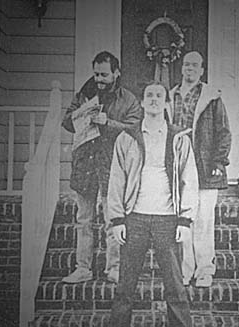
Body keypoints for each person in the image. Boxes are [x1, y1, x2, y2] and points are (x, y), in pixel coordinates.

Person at [107, 82, 198, 327]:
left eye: (160, 95)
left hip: (167, 220)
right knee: (125, 285)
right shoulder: (127, 138)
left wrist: (185, 220)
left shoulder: (179, 138)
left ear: (167, 103)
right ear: (143, 102)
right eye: (149, 95)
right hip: (135, 218)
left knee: (175, 286)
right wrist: (117, 220)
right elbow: (117, 179)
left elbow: (189, 179)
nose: (154, 99)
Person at [61, 51, 143, 284]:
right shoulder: (85, 94)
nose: (99, 79)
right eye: (96, 74)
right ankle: (83, 268)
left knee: (112, 221)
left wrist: (108, 122)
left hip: (112, 166)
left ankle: (114, 268)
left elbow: (135, 129)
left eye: (104, 74)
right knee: (84, 220)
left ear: (116, 73)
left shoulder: (128, 99)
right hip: (85, 164)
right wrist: (81, 115)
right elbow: (66, 122)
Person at [168, 51, 232, 288]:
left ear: (202, 70)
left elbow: (224, 133)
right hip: (179, 167)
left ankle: (205, 271)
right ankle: (186, 270)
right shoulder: (171, 96)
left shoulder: (212, 98)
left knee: (204, 221)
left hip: (205, 168)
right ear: (181, 68)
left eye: (194, 65)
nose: (189, 69)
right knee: (184, 220)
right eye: (186, 65)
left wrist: (219, 162)